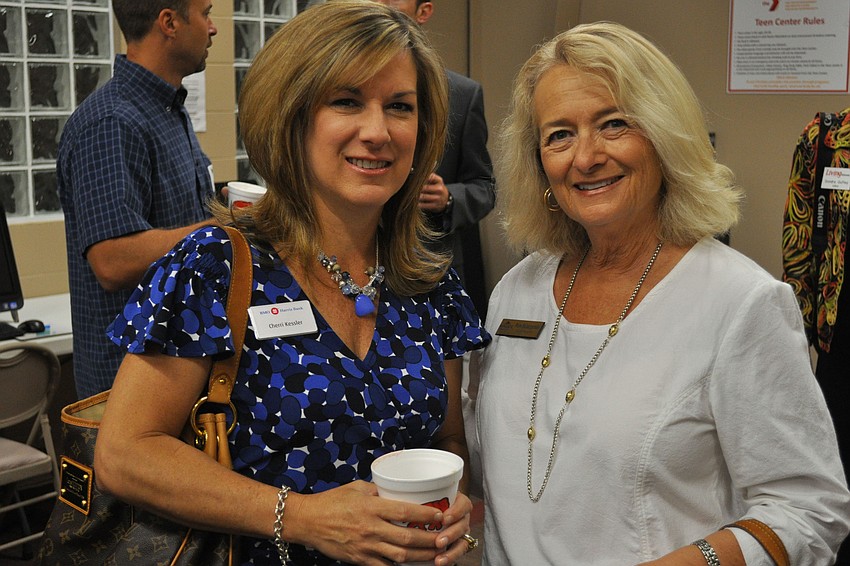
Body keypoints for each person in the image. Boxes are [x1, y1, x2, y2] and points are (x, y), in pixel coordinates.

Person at [95, 2, 490, 565]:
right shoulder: (216, 266)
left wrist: (453, 506)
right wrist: (303, 518)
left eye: (400, 107)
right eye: (347, 101)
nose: (377, 131)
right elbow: (126, 453)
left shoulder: (429, 281)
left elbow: (446, 441)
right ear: (292, 115)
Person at [470, 21, 850, 565]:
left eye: (614, 124)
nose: (585, 156)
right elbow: (509, 469)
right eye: (559, 135)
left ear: (664, 135)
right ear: (538, 162)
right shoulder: (517, 291)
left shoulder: (739, 302)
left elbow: (809, 509)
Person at [57, 0, 218, 398]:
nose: (213, 28)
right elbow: (112, 260)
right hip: (129, 388)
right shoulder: (112, 122)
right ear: (169, 22)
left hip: (176, 371)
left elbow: (175, 222)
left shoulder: (167, 110)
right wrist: (220, 230)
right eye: (206, 13)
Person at [371, 0, 495, 320]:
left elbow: (484, 187)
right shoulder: (333, 81)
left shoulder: (461, 94)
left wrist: (450, 197)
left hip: (428, 268)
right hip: (349, 264)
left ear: (423, 12)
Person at [783, 108, 850, 563]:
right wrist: (803, 327)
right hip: (839, 335)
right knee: (839, 468)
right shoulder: (826, 137)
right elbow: (799, 237)